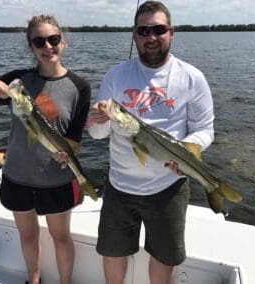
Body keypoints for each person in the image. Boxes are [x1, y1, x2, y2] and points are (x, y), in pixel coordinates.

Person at [87, 1, 214, 284]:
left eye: (158, 29)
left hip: (169, 187)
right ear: (134, 35)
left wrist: (186, 150)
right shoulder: (115, 75)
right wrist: (99, 119)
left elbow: (205, 130)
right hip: (119, 187)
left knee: (164, 257)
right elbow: (97, 135)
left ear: (171, 32)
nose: (151, 37)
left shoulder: (192, 77)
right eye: (144, 31)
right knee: (113, 253)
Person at [0, 15, 91, 284]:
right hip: (17, 177)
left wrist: (69, 156)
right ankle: (34, 280)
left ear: (63, 42)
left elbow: (75, 138)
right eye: (39, 41)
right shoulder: (18, 82)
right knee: (27, 236)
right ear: (31, 47)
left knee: (61, 237)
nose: (48, 46)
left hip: (57, 180)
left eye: (53, 39)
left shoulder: (80, 87)